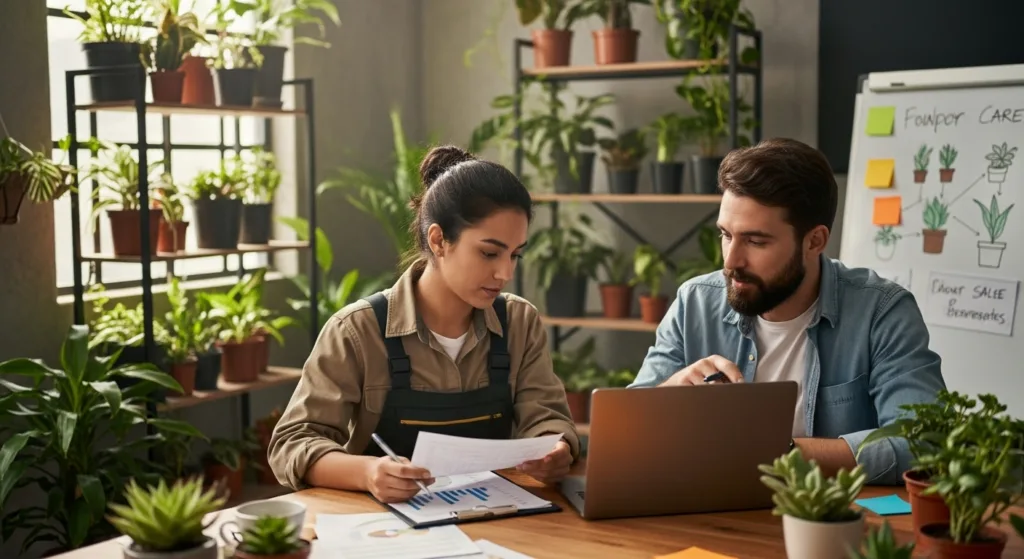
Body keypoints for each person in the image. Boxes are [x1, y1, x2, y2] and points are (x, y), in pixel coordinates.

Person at [268, 145, 579, 503]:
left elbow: (548, 419)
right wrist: (368, 472)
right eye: (489, 253)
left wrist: (556, 450)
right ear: (438, 240)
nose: (505, 273)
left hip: (496, 520)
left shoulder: (520, 323)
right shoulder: (358, 330)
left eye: (515, 254)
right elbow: (292, 443)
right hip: (384, 531)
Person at [629, 138, 945, 485]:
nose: (731, 261)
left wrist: (773, 452)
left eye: (756, 241)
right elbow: (624, 433)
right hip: (710, 516)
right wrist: (671, 393)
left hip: (830, 523)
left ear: (815, 241)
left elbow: (923, 442)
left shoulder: (882, 312)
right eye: (725, 235)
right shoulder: (695, 303)